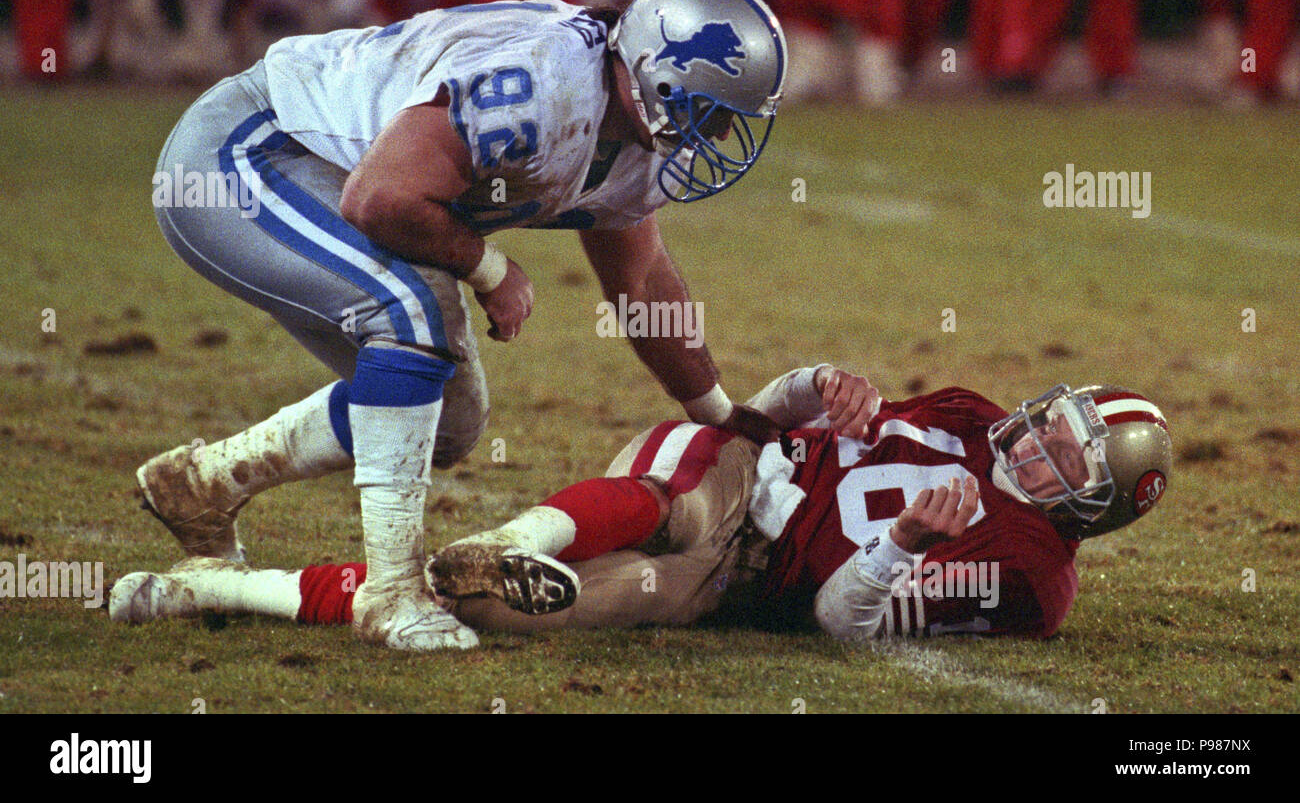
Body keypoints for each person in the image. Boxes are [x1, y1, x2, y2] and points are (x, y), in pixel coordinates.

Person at [138, 0, 789, 652]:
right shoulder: (545, 83)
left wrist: (717, 413)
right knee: (413, 313)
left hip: (339, 179)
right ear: (657, 71)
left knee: (448, 413)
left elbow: (643, 279)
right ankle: (391, 594)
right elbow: (379, 199)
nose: (716, 137)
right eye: (712, 111)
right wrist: (491, 268)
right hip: (246, 153)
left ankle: (202, 484)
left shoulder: (633, 137)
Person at [112, 365, 1173, 643]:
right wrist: (820, 384)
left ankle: (213, 585)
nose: (1036, 438)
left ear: (1093, 503)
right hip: (733, 467)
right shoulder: (972, 415)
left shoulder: (1029, 575)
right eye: (1056, 419)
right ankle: (511, 535)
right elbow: (785, 405)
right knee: (686, 512)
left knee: (483, 610)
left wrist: (899, 543)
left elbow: (840, 622)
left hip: (738, 585)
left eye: (1066, 451)